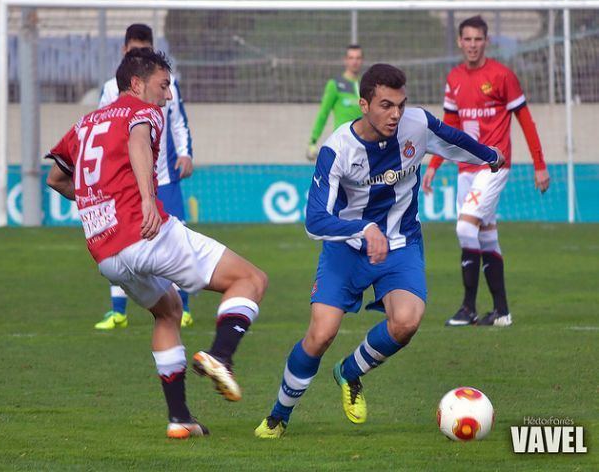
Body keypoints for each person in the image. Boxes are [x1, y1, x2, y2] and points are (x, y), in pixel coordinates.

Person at [254, 63, 504, 438]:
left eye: (400, 105)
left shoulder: (416, 125)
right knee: (321, 334)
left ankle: (350, 373)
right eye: (386, 105)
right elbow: (315, 220)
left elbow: (453, 139)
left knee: (407, 321)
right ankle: (278, 415)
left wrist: (489, 155)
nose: (395, 114)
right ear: (363, 104)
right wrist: (364, 227)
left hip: (401, 243)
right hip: (346, 250)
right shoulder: (337, 149)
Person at [46, 48, 268, 439]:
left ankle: (180, 419)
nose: (168, 95)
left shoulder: (85, 123)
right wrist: (148, 198)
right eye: (164, 85)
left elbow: (56, 179)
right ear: (137, 83)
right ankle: (221, 356)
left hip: (106, 252)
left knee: (167, 312)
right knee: (250, 279)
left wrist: (99, 202)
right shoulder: (141, 110)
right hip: (145, 231)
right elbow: (137, 140)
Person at [422, 15, 550, 328]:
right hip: (465, 168)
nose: (472, 45)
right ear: (459, 42)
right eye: (467, 39)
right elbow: (449, 126)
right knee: (487, 237)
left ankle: (467, 308)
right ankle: (502, 312)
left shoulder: (502, 76)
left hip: (493, 166)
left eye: (478, 39)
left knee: (465, 229)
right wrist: (435, 165)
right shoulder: (454, 78)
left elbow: (525, 120)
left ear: (486, 41)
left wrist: (540, 164)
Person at [95, 23, 195, 330]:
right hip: (126, 182)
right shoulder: (112, 89)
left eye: (145, 50)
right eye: (135, 50)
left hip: (163, 177)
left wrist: (186, 152)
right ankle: (118, 311)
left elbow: (179, 121)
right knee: (119, 240)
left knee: (177, 240)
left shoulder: (167, 84)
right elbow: (100, 130)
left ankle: (184, 306)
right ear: (125, 51)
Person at [306, 45, 363, 161]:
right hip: (342, 145)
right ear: (345, 60)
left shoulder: (366, 85)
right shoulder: (335, 84)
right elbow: (323, 113)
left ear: (362, 61)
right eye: (351, 58)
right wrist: (313, 140)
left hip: (363, 145)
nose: (354, 62)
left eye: (358, 58)